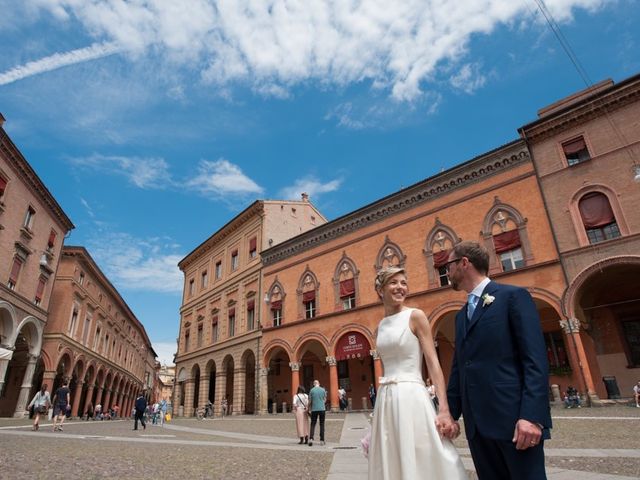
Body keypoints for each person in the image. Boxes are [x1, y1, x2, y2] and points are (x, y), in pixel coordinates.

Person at [445, 241, 552, 480]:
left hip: (515, 423)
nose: (446, 272)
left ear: (464, 263)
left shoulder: (512, 297)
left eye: (449, 265)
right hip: (478, 428)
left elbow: (535, 359)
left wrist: (532, 416)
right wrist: (447, 414)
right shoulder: (461, 316)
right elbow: (459, 370)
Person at [368, 266, 466, 479]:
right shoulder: (381, 325)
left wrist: (444, 409)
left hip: (412, 395)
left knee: (424, 452)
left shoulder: (416, 316)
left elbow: (433, 364)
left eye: (403, 283)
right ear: (380, 289)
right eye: (393, 283)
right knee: (393, 457)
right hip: (386, 398)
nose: (400, 287)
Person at [308, 379, 327, 447]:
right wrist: (321, 403)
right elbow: (325, 399)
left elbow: (310, 400)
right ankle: (322, 440)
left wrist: (308, 408)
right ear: (319, 384)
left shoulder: (312, 390)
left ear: (314, 384)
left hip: (314, 409)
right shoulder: (323, 390)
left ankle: (311, 439)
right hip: (322, 409)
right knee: (322, 424)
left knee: (313, 424)